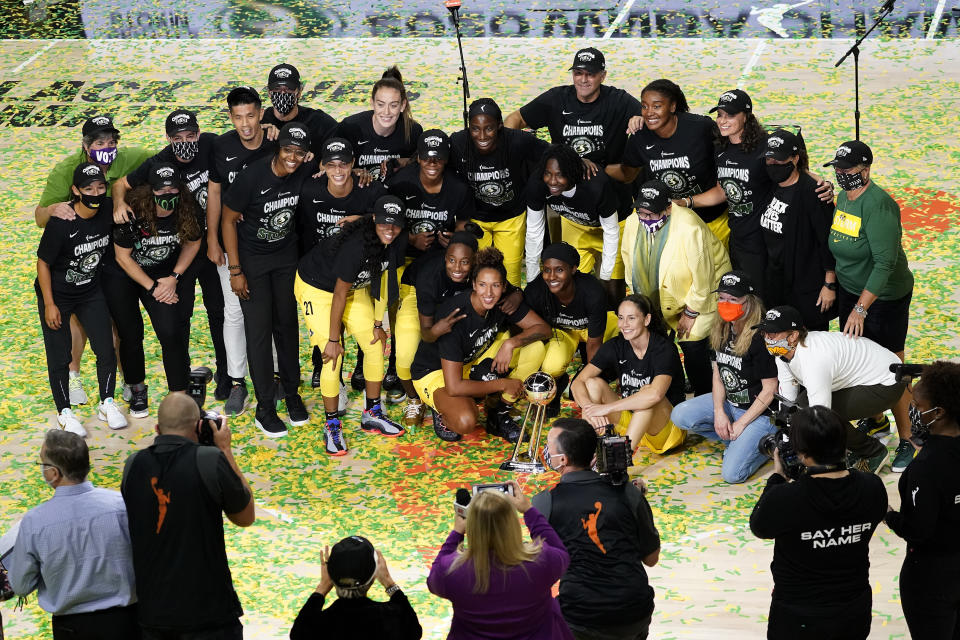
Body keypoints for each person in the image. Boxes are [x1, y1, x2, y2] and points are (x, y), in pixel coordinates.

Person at [34, 114, 152, 406]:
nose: (107, 147)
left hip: (109, 250)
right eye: (100, 142)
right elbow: (39, 217)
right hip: (74, 255)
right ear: (86, 146)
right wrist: (53, 210)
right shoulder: (65, 171)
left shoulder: (129, 158)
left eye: (111, 141)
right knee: (78, 320)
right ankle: (73, 376)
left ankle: (124, 380)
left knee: (115, 320)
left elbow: (163, 158)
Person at [112, 108, 228, 401]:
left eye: (191, 135)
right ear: (168, 138)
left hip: (209, 242)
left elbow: (246, 144)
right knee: (179, 317)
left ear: (199, 134)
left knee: (219, 311)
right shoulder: (159, 163)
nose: (185, 142)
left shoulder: (212, 144)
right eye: (178, 138)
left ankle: (226, 375)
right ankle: (182, 377)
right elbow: (120, 185)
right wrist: (117, 205)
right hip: (182, 248)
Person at [121, 393, 254, 640]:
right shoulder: (209, 459)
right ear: (199, 426)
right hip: (208, 614)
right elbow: (246, 516)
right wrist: (225, 449)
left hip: (154, 613)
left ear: (158, 428)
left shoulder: (133, 465)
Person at [749, 406, 888, 640]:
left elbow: (759, 527)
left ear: (802, 453)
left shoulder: (786, 498)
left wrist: (776, 478)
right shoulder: (872, 486)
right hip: (854, 608)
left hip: (798, 614)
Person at [825, 140, 916, 472]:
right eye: (837, 168)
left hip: (884, 297)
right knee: (857, 360)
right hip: (851, 291)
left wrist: (861, 309)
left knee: (891, 368)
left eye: (847, 170)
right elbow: (837, 245)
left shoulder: (879, 206)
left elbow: (885, 265)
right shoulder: (842, 198)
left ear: (865, 170)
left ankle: (908, 438)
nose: (841, 174)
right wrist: (832, 283)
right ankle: (876, 421)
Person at [221, 122, 315, 436]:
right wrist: (235, 271)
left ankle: (291, 393)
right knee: (259, 333)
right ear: (278, 149)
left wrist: (359, 173)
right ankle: (264, 407)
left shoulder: (303, 169)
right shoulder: (252, 176)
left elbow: (334, 167)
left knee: (287, 327)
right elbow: (228, 219)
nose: (292, 157)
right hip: (254, 261)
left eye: (299, 153)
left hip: (286, 258)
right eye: (288, 150)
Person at [295, 197, 408, 456]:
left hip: (355, 289)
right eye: (384, 224)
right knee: (331, 358)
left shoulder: (396, 240)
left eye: (396, 225)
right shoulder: (356, 246)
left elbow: (384, 282)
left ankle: (372, 413)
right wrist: (334, 341)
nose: (390, 230)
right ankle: (332, 424)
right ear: (374, 221)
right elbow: (338, 293)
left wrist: (379, 323)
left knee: (375, 342)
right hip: (318, 287)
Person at [532, 419, 660, 639]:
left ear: (562, 459)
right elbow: (651, 559)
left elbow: (542, 570)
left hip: (581, 618)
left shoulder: (544, 503)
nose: (545, 449)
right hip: (635, 611)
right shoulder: (629, 493)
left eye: (548, 445)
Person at [696, 89, 835, 291]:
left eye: (730, 115)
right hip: (737, 236)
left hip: (763, 240)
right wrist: (687, 201)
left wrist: (822, 182)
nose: (722, 121)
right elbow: (723, 190)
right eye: (720, 115)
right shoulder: (721, 147)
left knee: (760, 299)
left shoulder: (765, 146)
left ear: (747, 116)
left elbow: (794, 170)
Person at [7, 430, 138, 639]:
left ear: (53, 473)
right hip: (126, 623)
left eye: (43, 464)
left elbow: (20, 586)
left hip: (72, 629)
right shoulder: (121, 505)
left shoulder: (35, 522)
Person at [505, 46, 642, 245]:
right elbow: (515, 118)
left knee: (615, 273)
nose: (583, 80)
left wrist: (640, 119)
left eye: (590, 74)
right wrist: (510, 147)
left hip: (611, 201)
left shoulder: (618, 101)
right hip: (569, 208)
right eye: (578, 73)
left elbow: (649, 118)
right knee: (573, 270)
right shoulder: (556, 99)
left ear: (602, 76)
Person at [410, 248, 549, 443]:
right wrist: (503, 383)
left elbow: (543, 329)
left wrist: (510, 343)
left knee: (535, 349)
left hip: (472, 358)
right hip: (436, 372)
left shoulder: (502, 301)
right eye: (483, 285)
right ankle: (441, 408)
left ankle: (498, 414)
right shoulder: (456, 315)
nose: (489, 293)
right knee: (466, 420)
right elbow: (455, 386)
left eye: (496, 285)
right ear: (474, 284)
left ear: (503, 286)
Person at [754, 305, 906, 473]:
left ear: (793, 336)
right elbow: (788, 402)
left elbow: (821, 416)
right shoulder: (784, 355)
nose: (767, 338)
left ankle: (873, 452)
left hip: (887, 383)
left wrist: (808, 456)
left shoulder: (814, 358)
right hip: (871, 375)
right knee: (801, 408)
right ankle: (874, 427)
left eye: (773, 334)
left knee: (823, 417)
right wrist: (787, 437)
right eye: (764, 333)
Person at [36, 163, 126, 436]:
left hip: (89, 291)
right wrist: (50, 304)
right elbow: (42, 264)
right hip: (58, 295)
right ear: (76, 191)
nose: (96, 193)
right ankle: (65, 412)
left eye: (100, 187)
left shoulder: (108, 209)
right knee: (60, 355)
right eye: (88, 189)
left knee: (106, 348)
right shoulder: (61, 224)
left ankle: (107, 402)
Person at [620, 179, 731, 397]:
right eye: (642, 213)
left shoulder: (689, 228)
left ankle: (704, 394)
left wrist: (690, 312)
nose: (645, 219)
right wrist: (640, 303)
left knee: (691, 342)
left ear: (669, 208)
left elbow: (703, 276)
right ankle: (676, 390)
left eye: (651, 214)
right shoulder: (634, 220)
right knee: (658, 341)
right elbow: (628, 260)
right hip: (662, 290)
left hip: (702, 291)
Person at [107, 162, 201, 416]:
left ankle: (178, 394)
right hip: (125, 274)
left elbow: (193, 242)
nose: (167, 196)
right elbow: (123, 257)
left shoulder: (188, 206)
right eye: (161, 192)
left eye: (173, 191)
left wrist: (173, 277)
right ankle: (137, 388)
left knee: (170, 330)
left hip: (162, 273)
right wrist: (152, 289)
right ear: (151, 191)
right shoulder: (134, 210)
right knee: (130, 332)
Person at [207, 86, 278, 416]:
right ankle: (238, 380)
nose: (245, 124)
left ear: (261, 114)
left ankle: (275, 375)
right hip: (231, 241)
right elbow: (215, 194)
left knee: (272, 311)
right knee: (234, 312)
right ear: (230, 117)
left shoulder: (277, 141)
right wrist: (212, 238)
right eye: (238, 117)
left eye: (251, 115)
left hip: (269, 243)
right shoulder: (221, 146)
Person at [299, 137, 387, 404]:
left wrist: (359, 219)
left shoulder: (367, 190)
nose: (338, 171)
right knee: (330, 349)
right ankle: (332, 405)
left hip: (352, 282)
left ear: (354, 164)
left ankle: (372, 408)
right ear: (322, 166)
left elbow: (388, 218)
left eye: (344, 165)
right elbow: (301, 230)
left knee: (371, 341)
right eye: (331, 165)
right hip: (320, 280)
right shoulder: (309, 191)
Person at [427, 480, 573, 640]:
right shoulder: (540, 562)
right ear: (512, 523)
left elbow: (433, 580)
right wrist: (528, 510)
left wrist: (456, 533)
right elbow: (561, 552)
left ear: (472, 525)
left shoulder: (453, 571)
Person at [670, 271, 779, 483]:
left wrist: (741, 424)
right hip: (731, 405)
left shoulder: (760, 336)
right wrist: (719, 411)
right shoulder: (721, 327)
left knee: (732, 475)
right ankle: (738, 443)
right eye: (721, 298)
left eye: (733, 299)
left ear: (749, 302)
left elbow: (771, 389)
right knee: (680, 415)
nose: (725, 303)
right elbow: (718, 374)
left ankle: (764, 445)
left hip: (760, 413)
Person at [884, 361, 960, 639]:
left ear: (938, 412)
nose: (911, 411)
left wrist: (888, 513)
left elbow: (918, 531)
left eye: (915, 405)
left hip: (931, 576)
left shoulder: (925, 468)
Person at [613, 79, 728, 245]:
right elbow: (628, 173)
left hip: (711, 220)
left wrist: (687, 201)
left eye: (657, 106)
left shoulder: (701, 128)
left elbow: (730, 156)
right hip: (670, 224)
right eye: (644, 106)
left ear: (673, 106)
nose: (649, 112)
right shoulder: (639, 135)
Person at [450, 98, 549, 286]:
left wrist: (578, 161)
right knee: (478, 274)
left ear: (500, 126)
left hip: (510, 217)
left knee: (510, 277)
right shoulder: (458, 142)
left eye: (489, 128)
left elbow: (551, 152)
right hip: (476, 218)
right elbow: (432, 158)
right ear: (468, 127)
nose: (482, 136)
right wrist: (405, 162)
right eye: (475, 129)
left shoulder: (517, 140)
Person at [571, 294, 686, 456]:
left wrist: (605, 408)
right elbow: (578, 382)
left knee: (646, 395)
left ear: (646, 320)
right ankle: (587, 452)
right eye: (621, 318)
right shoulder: (616, 345)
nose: (624, 325)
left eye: (631, 318)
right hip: (633, 426)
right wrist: (588, 408)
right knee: (592, 383)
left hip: (665, 431)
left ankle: (620, 459)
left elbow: (655, 395)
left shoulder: (664, 349)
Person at [394, 229, 479, 429]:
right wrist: (435, 330)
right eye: (451, 260)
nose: (457, 267)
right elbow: (427, 332)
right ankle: (414, 399)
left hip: (453, 298)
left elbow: (504, 288)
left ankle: (452, 388)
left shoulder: (480, 269)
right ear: (445, 258)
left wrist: (516, 294)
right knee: (406, 352)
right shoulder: (429, 277)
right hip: (416, 290)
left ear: (474, 260)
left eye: (465, 262)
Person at [523, 242, 618, 417]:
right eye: (546, 269)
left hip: (594, 330)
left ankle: (613, 376)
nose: (551, 276)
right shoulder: (536, 290)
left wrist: (588, 382)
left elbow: (593, 344)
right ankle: (559, 386)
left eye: (559, 270)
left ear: (573, 269)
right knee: (552, 368)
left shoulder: (592, 291)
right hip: (564, 332)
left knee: (624, 336)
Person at [524, 145, 624, 305]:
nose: (552, 181)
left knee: (611, 288)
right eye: (548, 174)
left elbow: (611, 231)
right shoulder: (537, 183)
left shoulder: (596, 185)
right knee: (570, 283)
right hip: (576, 224)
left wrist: (605, 276)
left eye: (560, 175)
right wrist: (532, 279)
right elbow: (534, 232)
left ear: (571, 173)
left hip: (616, 225)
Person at [758, 128, 837, 329]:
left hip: (807, 288)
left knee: (810, 343)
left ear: (794, 158)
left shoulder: (814, 193)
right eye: (769, 160)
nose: (773, 165)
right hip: (777, 283)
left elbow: (827, 241)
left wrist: (829, 284)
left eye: (779, 160)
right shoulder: (771, 184)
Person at [289, 536, 421, 640]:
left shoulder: (318, 626)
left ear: (330, 577)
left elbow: (297, 634)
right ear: (374, 576)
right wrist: (389, 583)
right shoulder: (391, 619)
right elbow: (414, 631)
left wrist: (321, 589)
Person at [335, 66, 423, 180]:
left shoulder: (413, 131)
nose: (386, 112)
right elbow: (325, 166)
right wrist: (351, 172)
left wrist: (406, 162)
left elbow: (423, 168)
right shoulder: (349, 128)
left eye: (393, 105)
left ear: (402, 105)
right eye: (381, 104)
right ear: (372, 103)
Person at [260, 63, 337, 158]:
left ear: (299, 92)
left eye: (288, 89)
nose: (283, 93)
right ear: (269, 92)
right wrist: (257, 130)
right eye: (277, 89)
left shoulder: (319, 122)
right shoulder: (259, 122)